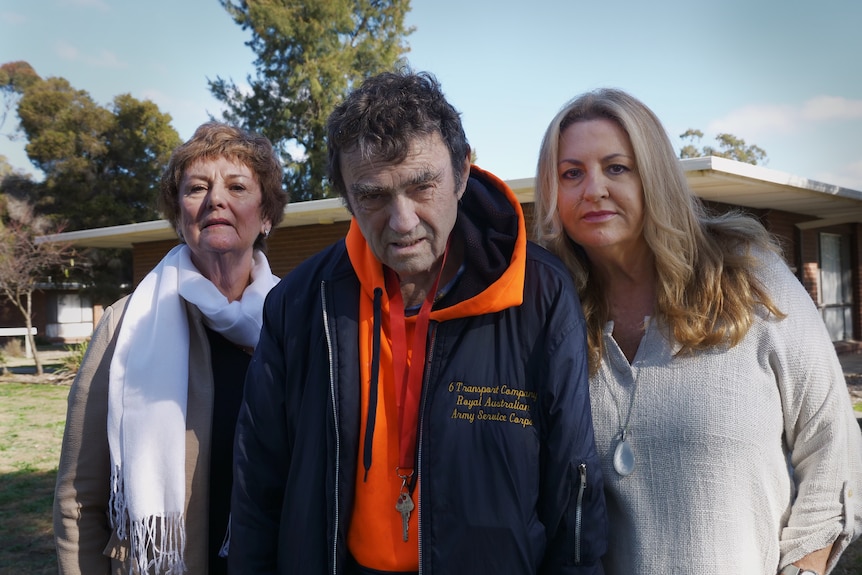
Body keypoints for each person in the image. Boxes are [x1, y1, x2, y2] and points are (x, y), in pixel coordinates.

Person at [229, 70, 608, 574]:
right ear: (347, 195)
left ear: (463, 172)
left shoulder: (537, 292)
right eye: (374, 196)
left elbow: (572, 494)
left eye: (421, 186)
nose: (402, 221)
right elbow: (258, 488)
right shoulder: (300, 304)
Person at [533, 88, 862, 574]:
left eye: (616, 167)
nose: (593, 188)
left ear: (655, 175)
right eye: (571, 173)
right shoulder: (551, 318)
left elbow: (834, 446)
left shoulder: (751, 279)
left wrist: (805, 570)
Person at [53, 121, 288, 575]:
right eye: (196, 188)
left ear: (266, 216)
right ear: (180, 217)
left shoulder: (294, 321)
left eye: (237, 186)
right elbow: (78, 495)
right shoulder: (126, 323)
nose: (215, 199)